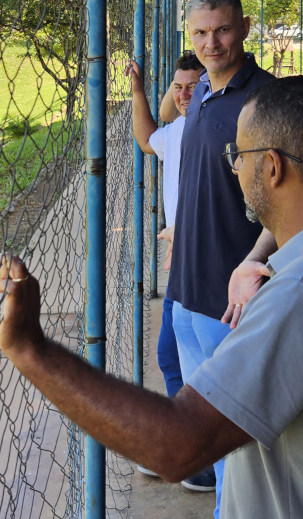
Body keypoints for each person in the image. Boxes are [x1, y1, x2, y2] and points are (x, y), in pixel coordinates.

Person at [0, 76, 303, 519]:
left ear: (273, 167)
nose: (235, 168)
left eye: (238, 156)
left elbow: (178, 446)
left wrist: (31, 348)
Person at [159, 0, 278, 505]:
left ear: (245, 28)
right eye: (201, 33)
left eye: (223, 30)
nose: (212, 43)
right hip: (185, 288)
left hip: (228, 298)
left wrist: (254, 261)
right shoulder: (202, 91)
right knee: (202, 420)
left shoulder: (267, 100)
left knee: (235, 438)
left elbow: (290, 200)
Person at [125, 52, 201, 399]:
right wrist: (137, 90)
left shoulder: (214, 130)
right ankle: (188, 434)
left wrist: (184, 231)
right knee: (172, 357)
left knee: (184, 359)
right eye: (178, 88)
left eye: (193, 87)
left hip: (201, 258)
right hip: (182, 259)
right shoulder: (180, 128)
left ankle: (192, 438)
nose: (183, 95)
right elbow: (147, 140)